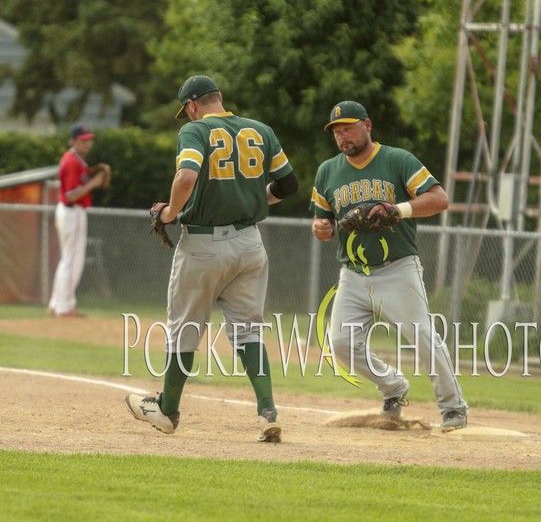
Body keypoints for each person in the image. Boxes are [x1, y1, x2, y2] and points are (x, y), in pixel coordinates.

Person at [124, 75, 298, 443]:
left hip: (204, 245)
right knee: (249, 329)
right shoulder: (260, 130)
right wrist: (247, 199)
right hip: (250, 244)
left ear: (191, 105)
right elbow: (287, 186)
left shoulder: (196, 131)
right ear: (220, 97)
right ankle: (267, 410)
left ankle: (168, 410)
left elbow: (186, 177)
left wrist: (170, 212)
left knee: (185, 327)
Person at [310, 100, 468, 431]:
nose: (343, 137)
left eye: (349, 128)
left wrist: (398, 211)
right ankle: (393, 387)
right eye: (337, 132)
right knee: (340, 343)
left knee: (423, 336)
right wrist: (320, 228)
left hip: (398, 269)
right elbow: (322, 222)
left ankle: (453, 408)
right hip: (353, 274)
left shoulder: (397, 159)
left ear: (368, 125)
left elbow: (439, 199)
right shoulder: (328, 171)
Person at [48, 124, 109, 317]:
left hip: (70, 212)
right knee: (73, 260)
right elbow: (72, 195)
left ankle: (57, 303)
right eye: (83, 140)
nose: (88, 143)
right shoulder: (73, 161)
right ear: (72, 141)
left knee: (68, 259)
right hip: (71, 211)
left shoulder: (76, 160)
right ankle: (64, 307)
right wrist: (93, 182)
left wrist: (88, 176)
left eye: (89, 139)